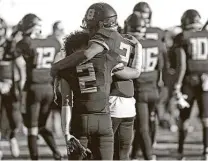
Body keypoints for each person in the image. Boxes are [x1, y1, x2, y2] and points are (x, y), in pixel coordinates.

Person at [16, 13, 62, 160]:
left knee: (32, 128)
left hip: (33, 88)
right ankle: (56, 152)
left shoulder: (27, 42)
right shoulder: (54, 42)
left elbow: (18, 47)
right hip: (48, 88)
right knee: (42, 125)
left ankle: (34, 158)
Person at [125, 13, 166, 160]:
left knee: (142, 128)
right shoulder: (157, 43)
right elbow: (162, 68)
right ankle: (135, 155)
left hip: (139, 90)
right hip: (154, 90)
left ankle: (150, 157)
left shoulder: (128, 44)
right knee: (144, 125)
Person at [172, 9, 208, 160]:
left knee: (184, 118)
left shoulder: (183, 37)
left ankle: (180, 151)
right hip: (206, 81)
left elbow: (182, 65)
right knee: (206, 118)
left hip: (188, 81)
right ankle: (206, 151)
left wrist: (177, 85)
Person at [0, 17, 25, 158]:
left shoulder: (10, 44)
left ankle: (12, 138)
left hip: (10, 84)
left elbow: (20, 65)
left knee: (14, 116)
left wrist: (20, 84)